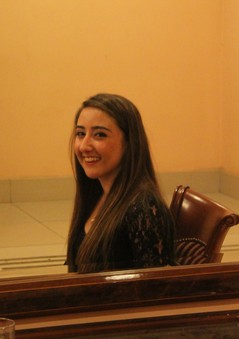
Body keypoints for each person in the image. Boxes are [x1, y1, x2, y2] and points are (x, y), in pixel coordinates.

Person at [66, 93, 175, 273]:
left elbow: (155, 285)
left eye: (99, 135)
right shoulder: (97, 193)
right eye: (80, 134)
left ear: (129, 143)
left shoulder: (143, 207)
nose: (84, 146)